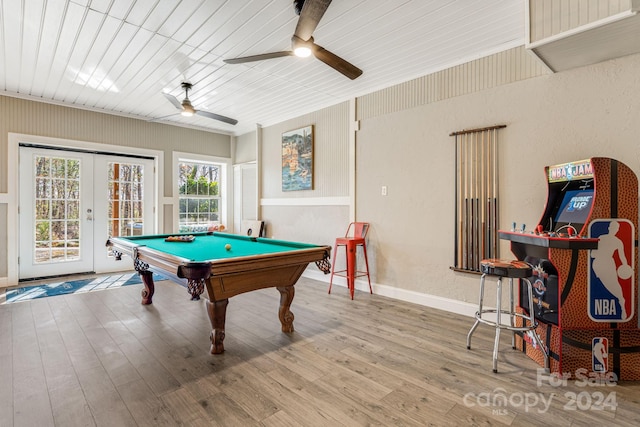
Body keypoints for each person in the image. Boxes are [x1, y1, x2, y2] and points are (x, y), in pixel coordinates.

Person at [591, 220, 630, 319]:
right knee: (606, 285)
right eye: (612, 228)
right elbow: (592, 254)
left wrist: (625, 266)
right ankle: (621, 300)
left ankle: (622, 303)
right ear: (609, 228)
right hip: (598, 264)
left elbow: (622, 256)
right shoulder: (601, 238)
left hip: (608, 264)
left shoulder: (618, 242)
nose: (614, 230)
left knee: (614, 285)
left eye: (616, 228)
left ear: (617, 230)